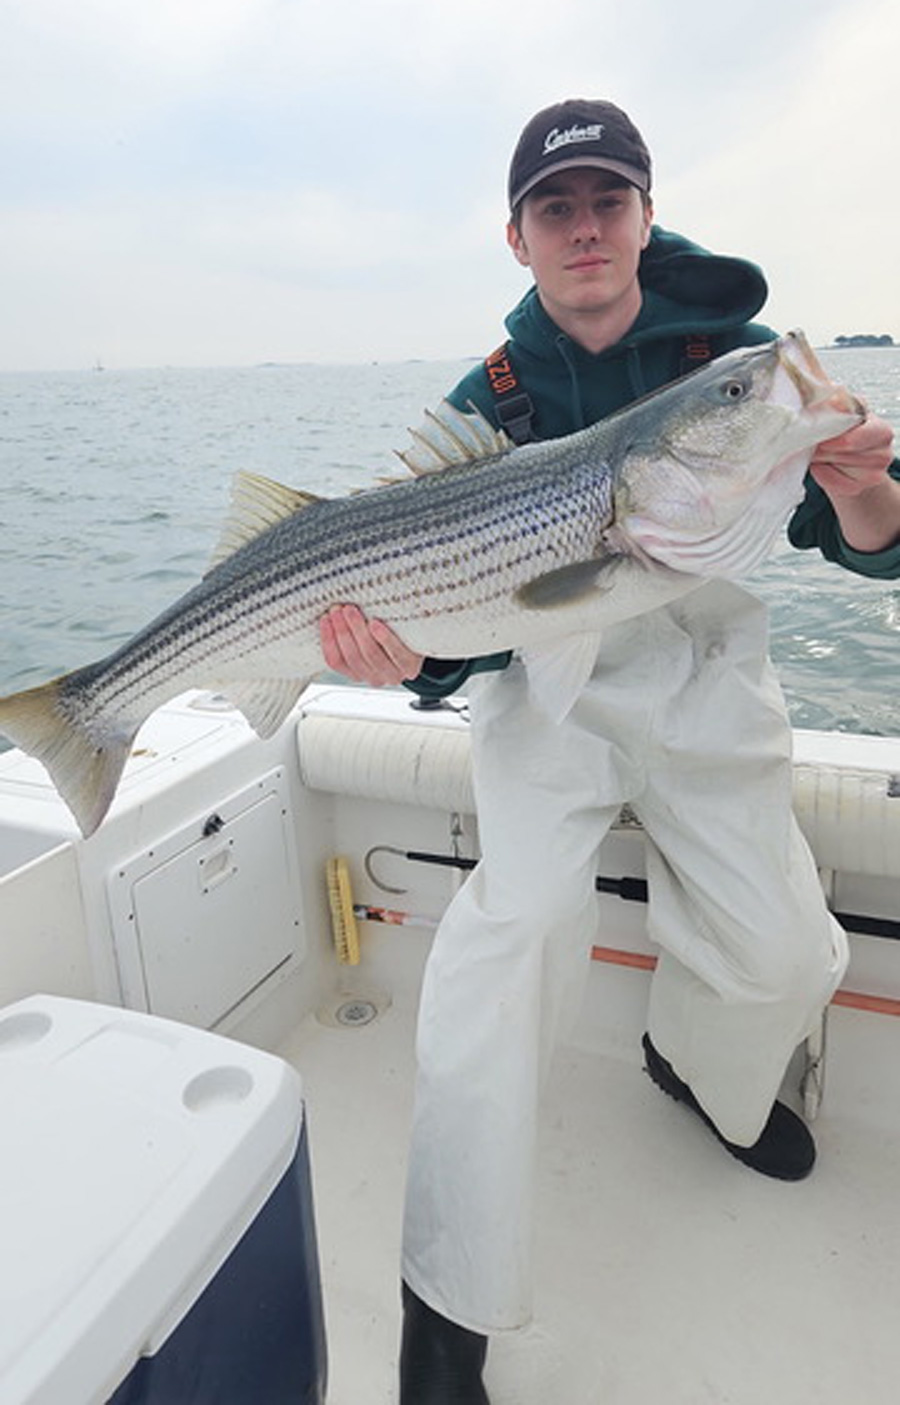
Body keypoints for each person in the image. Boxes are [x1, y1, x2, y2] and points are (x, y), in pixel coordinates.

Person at [320, 99, 900, 1403]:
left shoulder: (741, 362)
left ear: (645, 213)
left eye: (609, 201)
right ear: (517, 235)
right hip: (551, 702)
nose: (586, 228)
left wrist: (863, 482)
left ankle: (690, 1062)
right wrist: (412, 654)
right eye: (557, 208)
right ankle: (444, 1301)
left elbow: (869, 532)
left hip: (705, 693)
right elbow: (465, 629)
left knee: (791, 953)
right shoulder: (494, 402)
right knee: (505, 941)